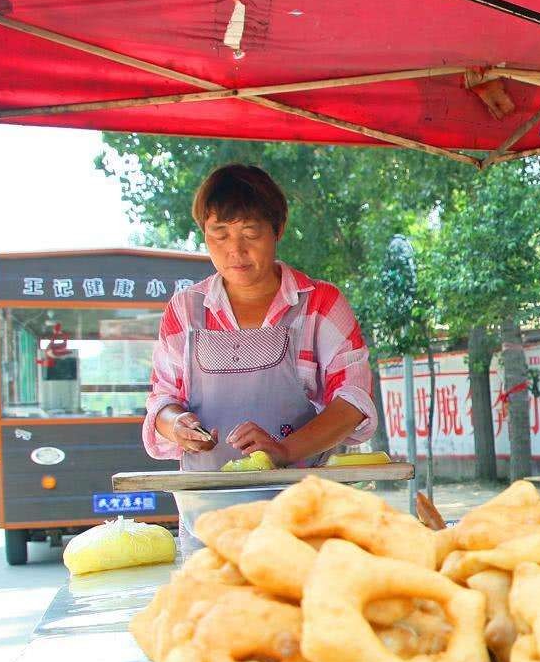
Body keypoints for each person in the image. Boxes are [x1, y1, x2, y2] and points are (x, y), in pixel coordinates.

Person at [144, 164, 377, 470]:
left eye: (250, 233)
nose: (235, 250)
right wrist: (176, 424)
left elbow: (354, 400)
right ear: (204, 234)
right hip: (207, 505)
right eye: (220, 234)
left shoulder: (320, 304)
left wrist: (284, 450)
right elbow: (162, 400)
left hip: (301, 502)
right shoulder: (185, 309)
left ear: (277, 229)